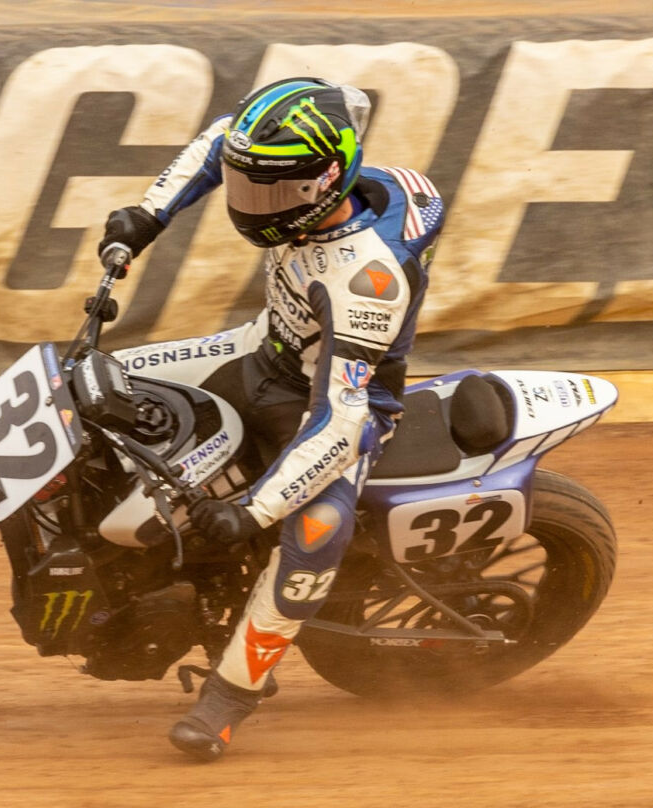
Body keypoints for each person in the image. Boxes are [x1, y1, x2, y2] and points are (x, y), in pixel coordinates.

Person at [96, 77, 446, 762]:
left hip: (340, 400)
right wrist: (149, 217)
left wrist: (254, 512)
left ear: (326, 182)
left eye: (271, 197)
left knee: (317, 528)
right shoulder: (313, 161)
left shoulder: (365, 279)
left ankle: (232, 694)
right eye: (246, 186)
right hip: (264, 346)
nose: (250, 206)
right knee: (109, 378)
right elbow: (225, 138)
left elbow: (339, 423)